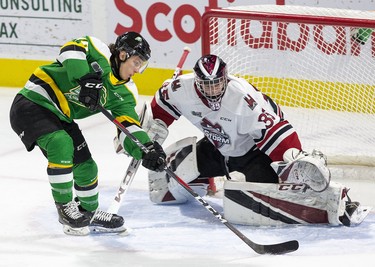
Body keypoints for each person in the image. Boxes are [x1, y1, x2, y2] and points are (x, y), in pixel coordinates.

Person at [141, 54, 367, 227]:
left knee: (264, 208)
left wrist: (291, 158)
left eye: (217, 83)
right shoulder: (181, 87)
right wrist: (156, 128)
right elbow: (163, 103)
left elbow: (276, 131)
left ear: (225, 78)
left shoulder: (243, 99)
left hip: (254, 154)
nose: (212, 90)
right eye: (207, 84)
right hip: (217, 148)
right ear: (198, 82)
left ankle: (335, 201)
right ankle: (205, 180)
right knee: (164, 193)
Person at [9, 32, 166, 236]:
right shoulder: (97, 49)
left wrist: (146, 149)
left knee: (87, 167)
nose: (137, 70)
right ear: (122, 55)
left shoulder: (126, 92)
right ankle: (65, 208)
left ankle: (88, 212)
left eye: (141, 65)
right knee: (61, 142)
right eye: (136, 62)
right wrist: (84, 78)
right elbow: (70, 49)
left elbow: (128, 127)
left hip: (62, 117)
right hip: (33, 102)